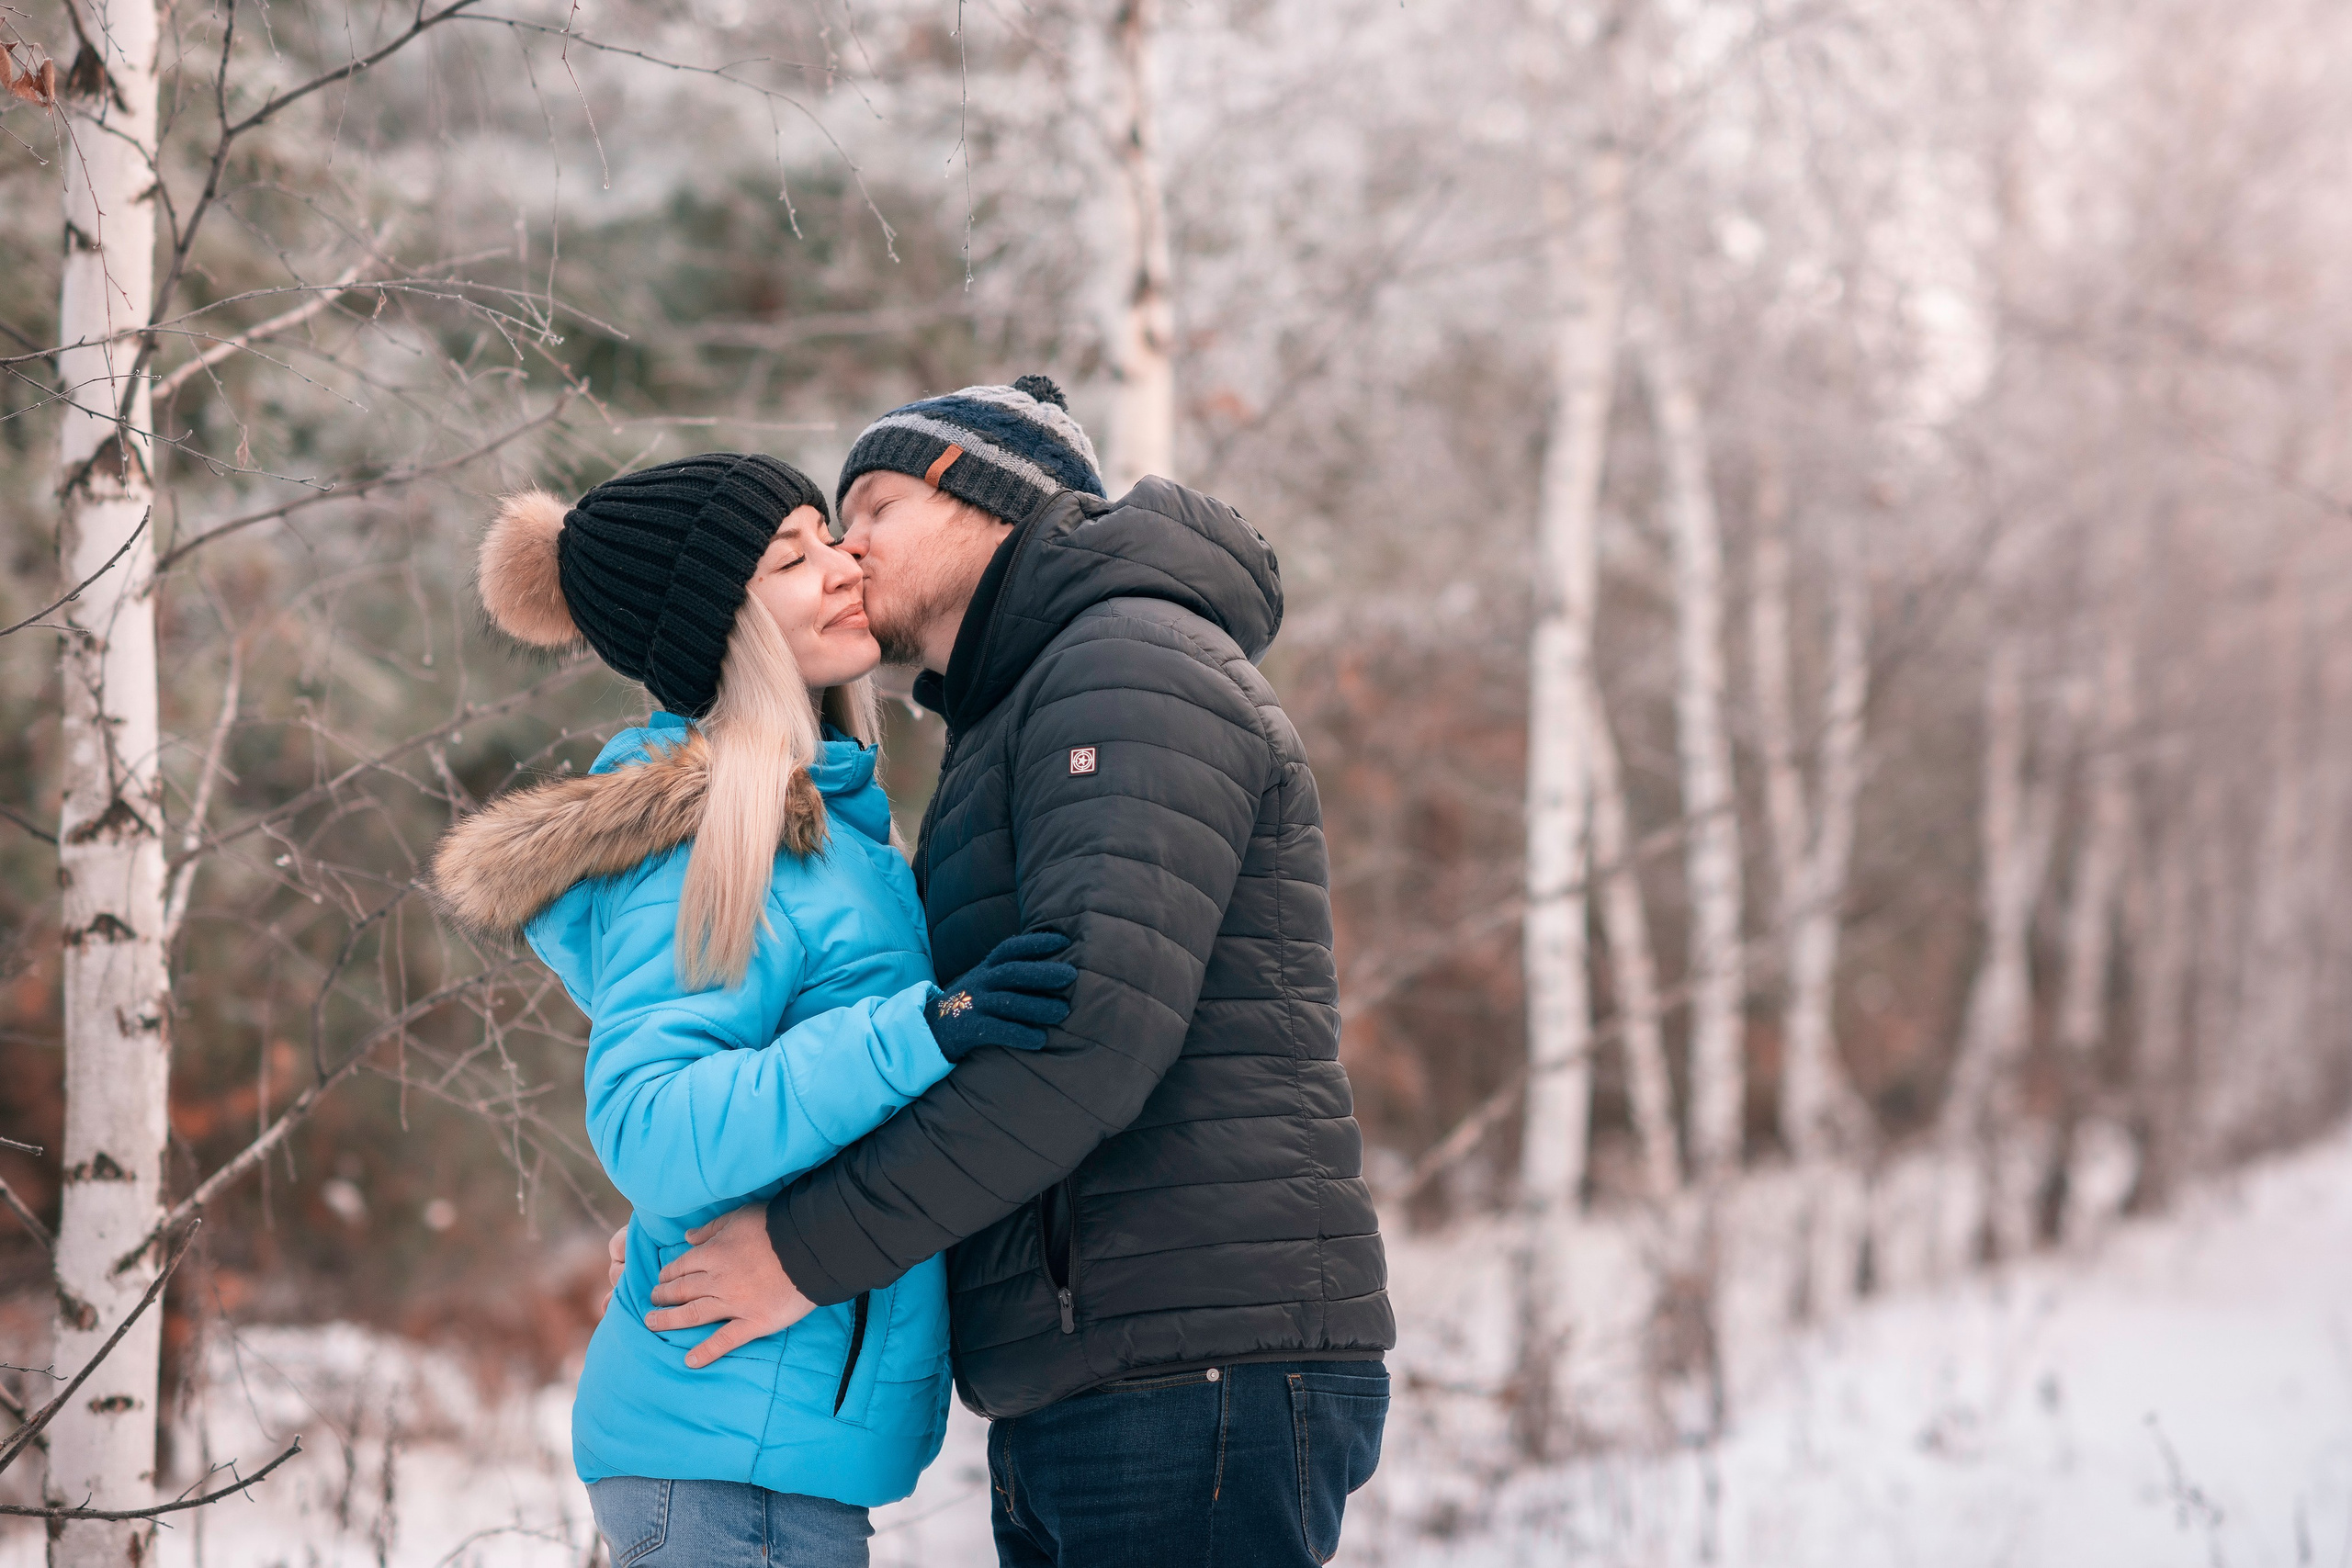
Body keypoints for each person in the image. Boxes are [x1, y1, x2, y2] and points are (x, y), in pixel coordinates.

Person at [629, 381, 1396, 1566]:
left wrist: (801, 1253)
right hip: (1108, 1361)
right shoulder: (1026, 702)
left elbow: (1087, 1038)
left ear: (981, 496)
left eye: (872, 504)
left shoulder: (1125, 665)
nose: (849, 549)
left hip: (1188, 1362)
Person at [429, 453, 1076, 1568]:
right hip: (725, 1466)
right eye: (791, 558)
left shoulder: (840, 828)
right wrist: (915, 1033)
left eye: (828, 535)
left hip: (765, 1458)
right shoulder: (719, 845)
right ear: (716, 630)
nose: (842, 563)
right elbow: (656, 1126)